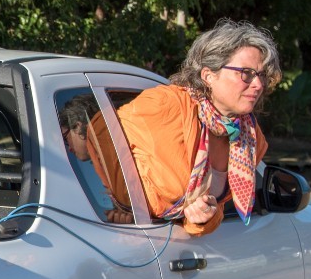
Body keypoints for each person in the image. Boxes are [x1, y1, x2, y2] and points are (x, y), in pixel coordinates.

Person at [117, 21, 281, 236]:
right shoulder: (165, 106)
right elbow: (100, 133)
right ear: (209, 76)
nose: (258, 84)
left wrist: (201, 218)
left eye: (261, 75)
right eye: (246, 73)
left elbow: (213, 210)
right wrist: (117, 205)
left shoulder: (250, 138)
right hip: (122, 239)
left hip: (169, 248)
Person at [58, 93, 123, 221]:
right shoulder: (106, 154)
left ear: (77, 126)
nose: (69, 148)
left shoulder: (114, 155)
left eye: (66, 139)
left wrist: (126, 215)